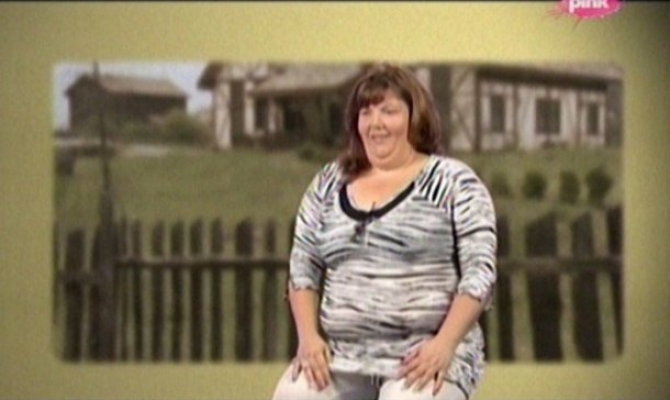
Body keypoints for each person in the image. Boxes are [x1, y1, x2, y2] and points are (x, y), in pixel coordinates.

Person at [271, 62, 497, 400]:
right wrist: (308, 338)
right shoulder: (329, 183)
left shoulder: (453, 182)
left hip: (427, 355)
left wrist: (444, 344)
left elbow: (480, 274)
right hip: (344, 356)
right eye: (366, 113)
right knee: (294, 394)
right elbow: (303, 265)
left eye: (388, 111)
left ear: (414, 117)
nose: (375, 123)